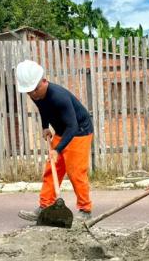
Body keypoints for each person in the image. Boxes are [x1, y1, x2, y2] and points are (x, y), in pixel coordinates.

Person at [15, 60, 94, 221]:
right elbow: (43, 108)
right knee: (52, 170)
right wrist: (45, 126)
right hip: (61, 131)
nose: (33, 95)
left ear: (44, 81)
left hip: (79, 132)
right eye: (29, 92)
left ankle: (85, 210)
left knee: (75, 172)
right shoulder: (35, 93)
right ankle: (45, 207)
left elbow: (72, 126)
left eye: (35, 90)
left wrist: (57, 150)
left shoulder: (59, 97)